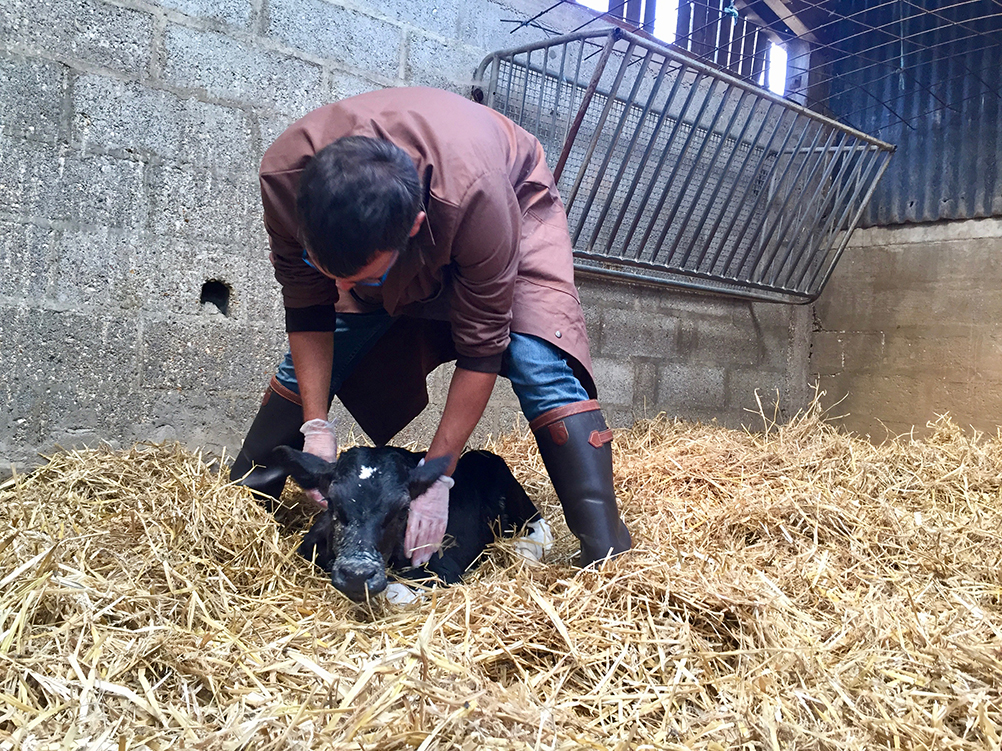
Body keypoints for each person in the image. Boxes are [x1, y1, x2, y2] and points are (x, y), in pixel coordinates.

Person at [230, 86, 631, 567]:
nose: (339, 285)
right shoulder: (283, 177)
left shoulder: (477, 195)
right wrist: (316, 426)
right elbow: (307, 306)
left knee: (536, 355)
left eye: (366, 275)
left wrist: (439, 475)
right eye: (328, 269)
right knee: (339, 328)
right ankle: (238, 512)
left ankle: (606, 553)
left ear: (415, 228)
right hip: (402, 216)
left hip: (509, 201)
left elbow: (484, 345)